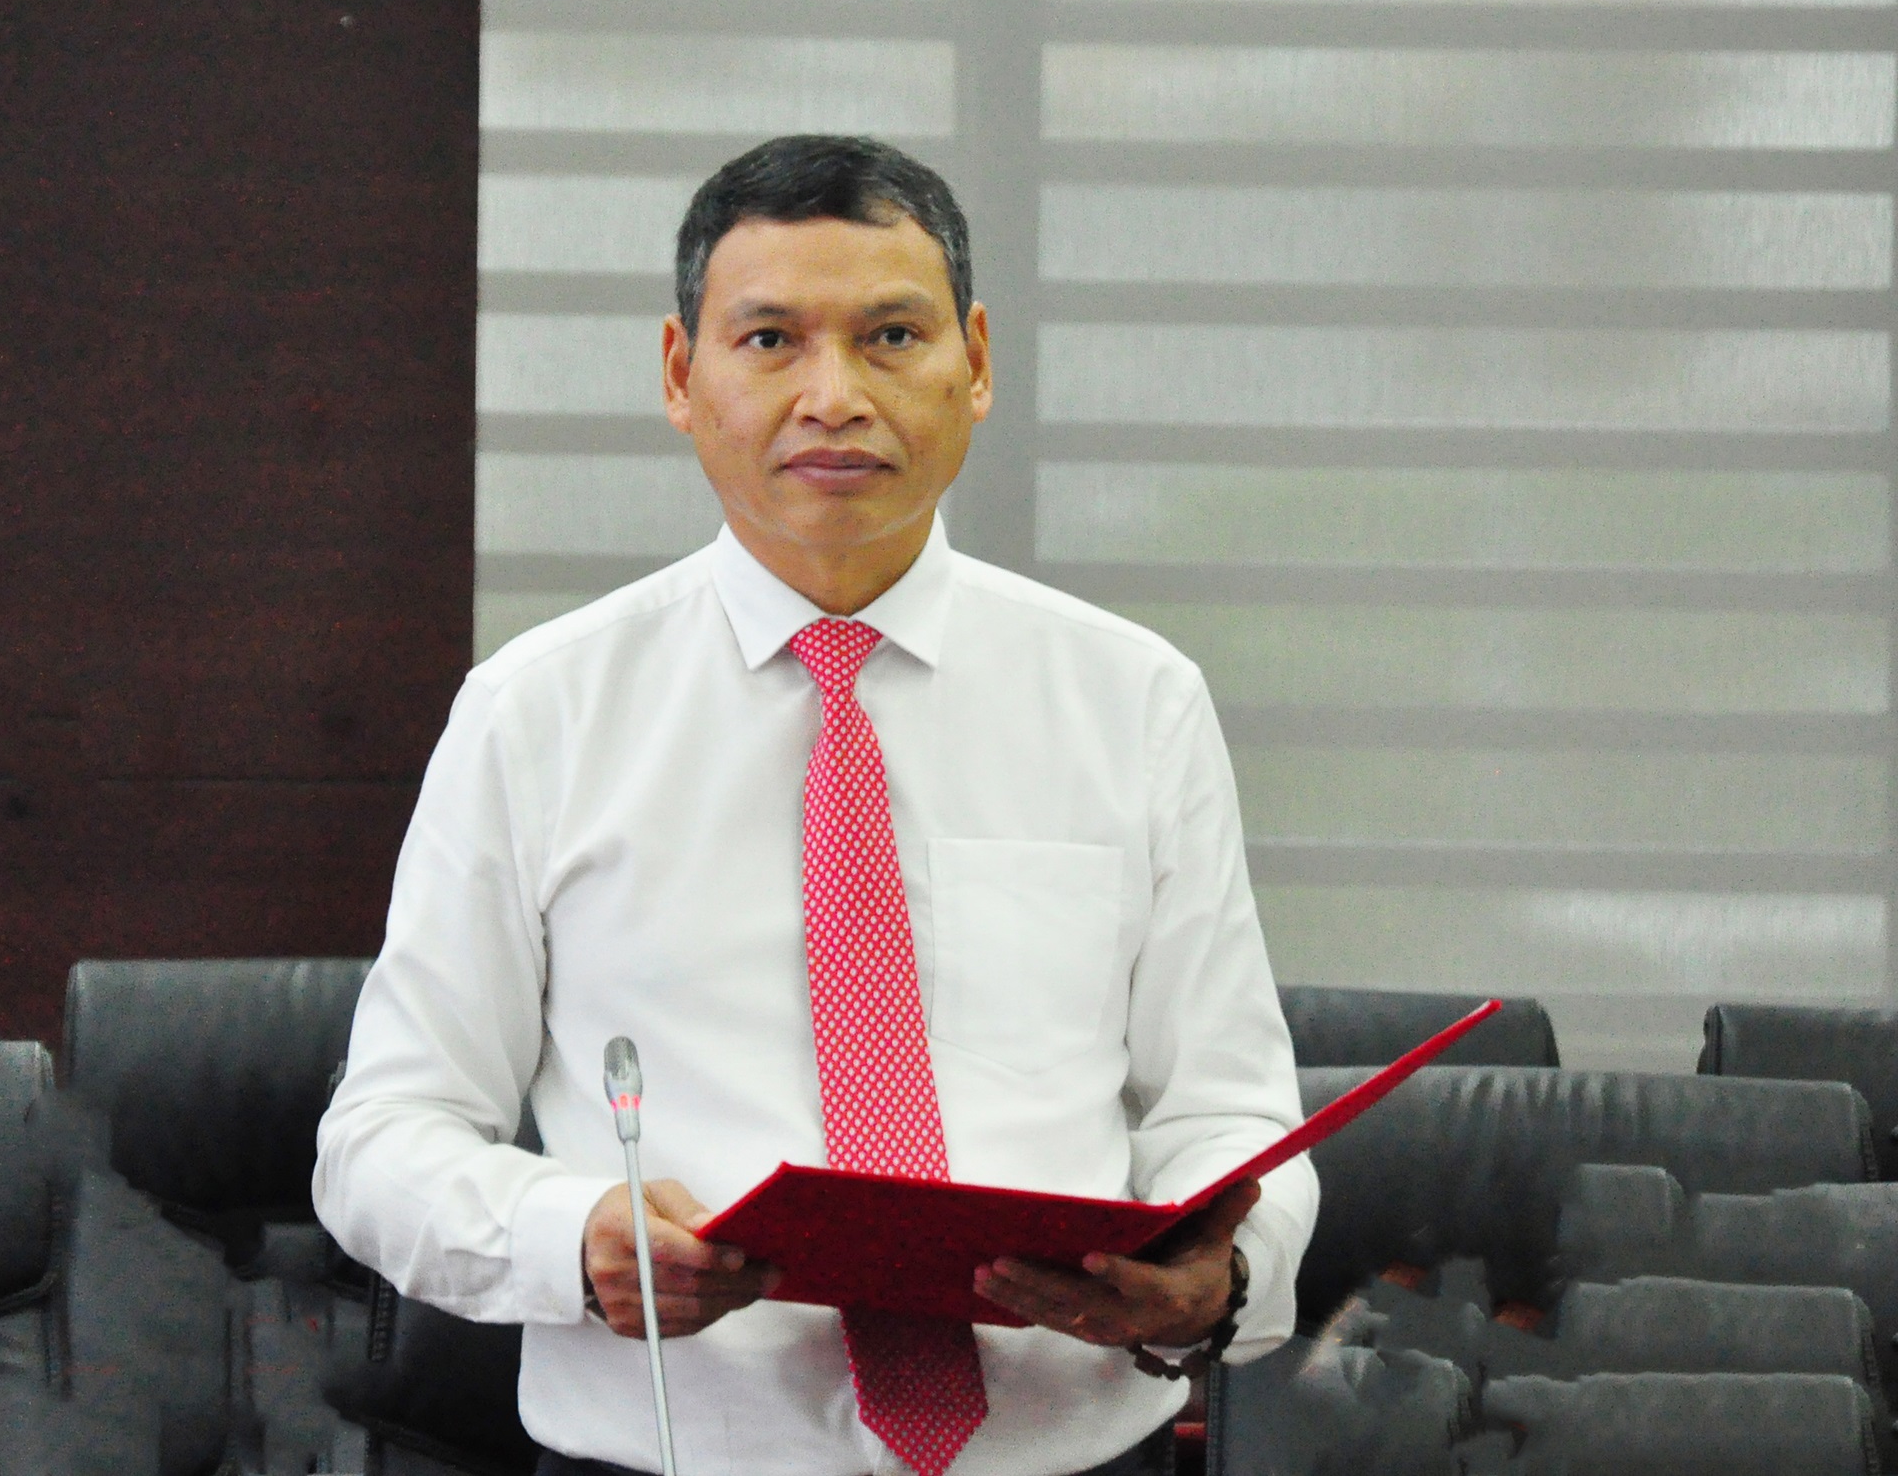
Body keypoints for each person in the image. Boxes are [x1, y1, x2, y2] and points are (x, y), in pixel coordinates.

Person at [313, 135, 1317, 1476]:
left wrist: (1226, 1274)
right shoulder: (538, 711)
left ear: (976, 362)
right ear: (682, 373)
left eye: (891, 335)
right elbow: (380, 1139)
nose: (834, 396)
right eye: (772, 339)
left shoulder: (1134, 697)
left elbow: (1228, 1110)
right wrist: (573, 1235)